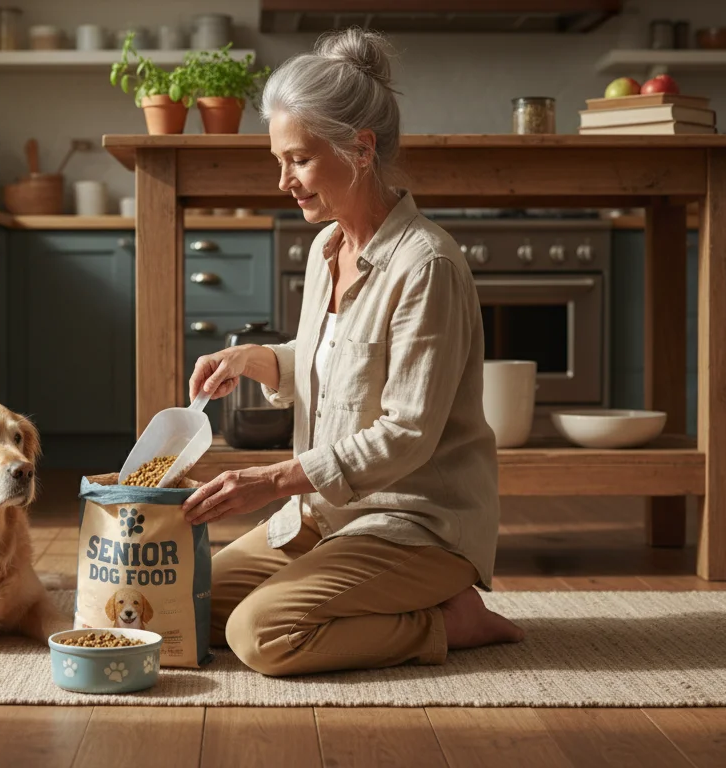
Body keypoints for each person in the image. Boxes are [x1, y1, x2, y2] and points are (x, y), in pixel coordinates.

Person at [181, 28, 525, 677]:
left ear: (360, 149)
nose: (283, 181)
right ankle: (376, 597)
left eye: (299, 160)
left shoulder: (427, 267)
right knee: (183, 599)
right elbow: (336, 361)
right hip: (325, 515)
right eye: (279, 161)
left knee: (261, 635)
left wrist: (269, 480)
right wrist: (257, 360)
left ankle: (448, 619)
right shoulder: (326, 248)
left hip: (414, 524)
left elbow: (406, 433)